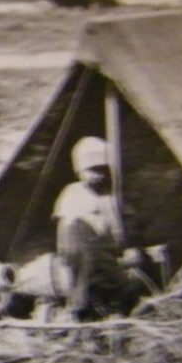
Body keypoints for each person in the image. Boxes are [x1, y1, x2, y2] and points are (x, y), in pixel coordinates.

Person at [53, 136, 149, 320]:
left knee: (130, 286)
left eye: (102, 169)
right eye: (92, 170)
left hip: (108, 261)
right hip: (85, 263)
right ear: (79, 170)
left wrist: (128, 248)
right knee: (87, 295)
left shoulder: (110, 197)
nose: (98, 174)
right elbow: (68, 238)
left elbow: (121, 229)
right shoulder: (73, 194)